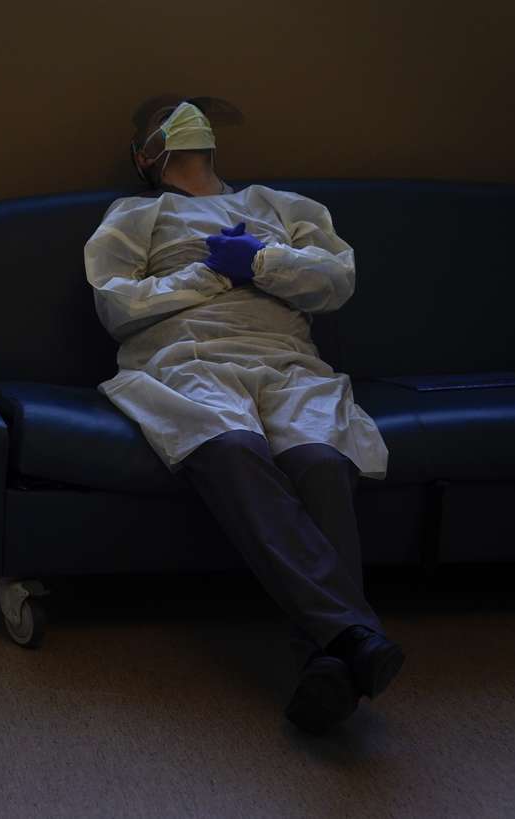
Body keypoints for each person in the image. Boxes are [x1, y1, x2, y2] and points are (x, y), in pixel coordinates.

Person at [84, 94, 406, 735]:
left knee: (319, 461)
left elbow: (335, 281)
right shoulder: (137, 213)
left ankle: (334, 657)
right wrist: (208, 275)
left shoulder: (282, 207)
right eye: (159, 121)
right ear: (144, 156)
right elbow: (116, 305)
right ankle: (350, 637)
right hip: (186, 358)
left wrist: (261, 260)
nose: (183, 113)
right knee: (231, 448)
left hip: (287, 360)